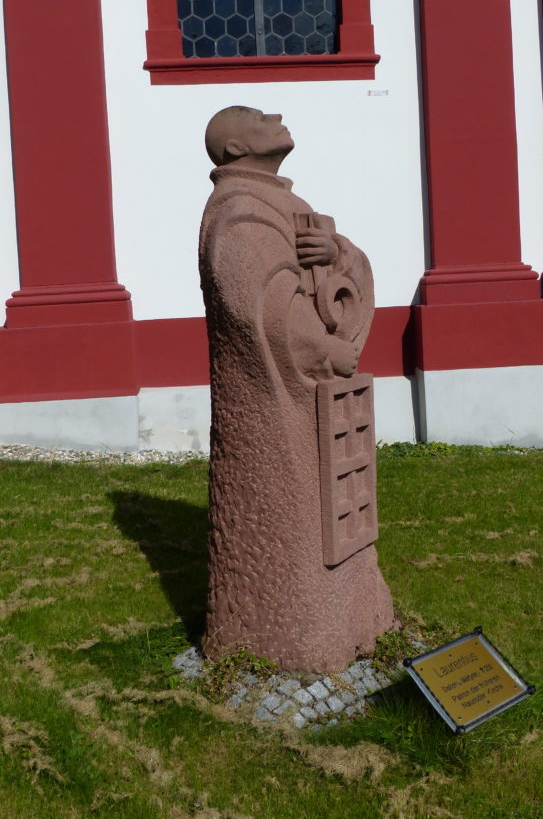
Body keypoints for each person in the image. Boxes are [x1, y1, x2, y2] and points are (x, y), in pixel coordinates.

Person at [199, 106, 394, 672]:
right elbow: (262, 305)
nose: (277, 115)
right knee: (300, 530)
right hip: (277, 413)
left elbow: (345, 270)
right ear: (235, 149)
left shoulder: (291, 207)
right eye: (259, 117)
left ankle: (358, 617)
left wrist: (335, 255)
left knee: (336, 522)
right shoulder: (239, 213)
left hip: (319, 403)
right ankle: (301, 641)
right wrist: (327, 351)